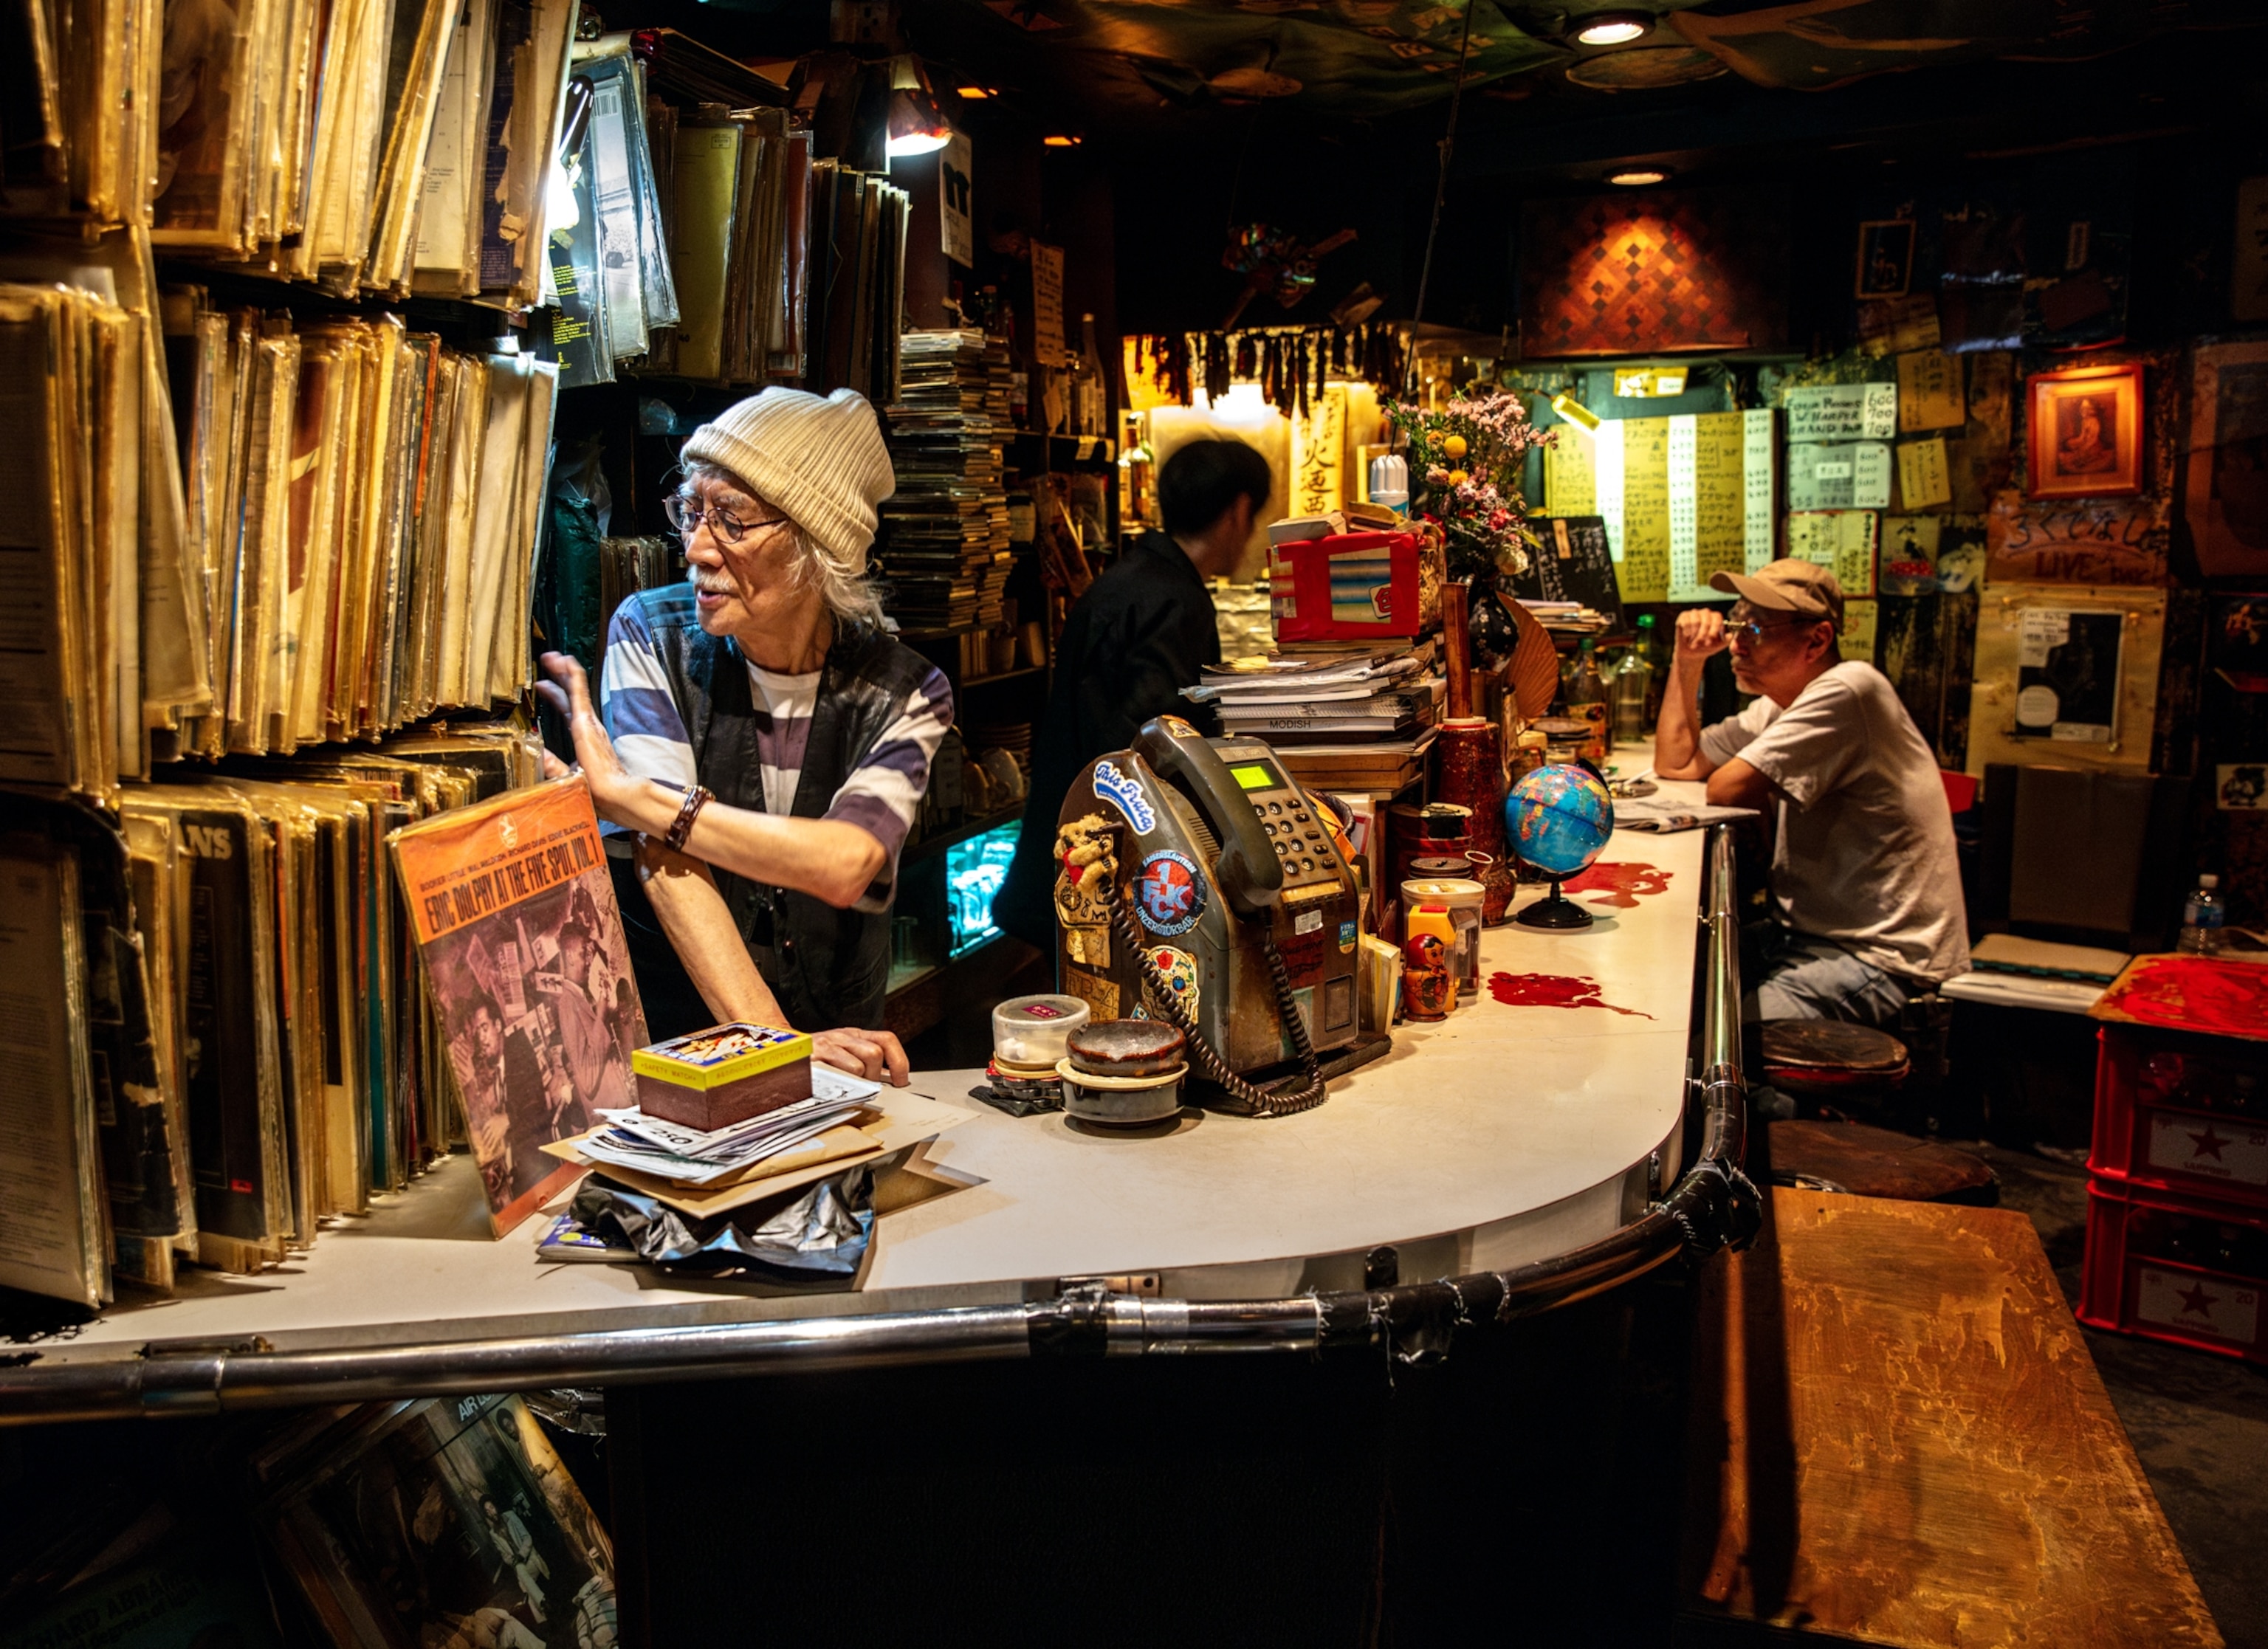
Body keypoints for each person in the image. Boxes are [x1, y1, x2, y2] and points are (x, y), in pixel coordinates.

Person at [538, 388, 952, 1084]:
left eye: (731, 519)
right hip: (686, 1048)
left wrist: (623, 795)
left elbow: (845, 863)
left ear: (815, 543)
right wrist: (781, 1044)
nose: (697, 547)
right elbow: (670, 863)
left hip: (847, 1049)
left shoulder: (905, 689)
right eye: (692, 512)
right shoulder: (649, 634)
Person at [1652, 557, 1968, 1025]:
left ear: (1817, 639)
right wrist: (1687, 660)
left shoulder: (1849, 689)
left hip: (1879, 958)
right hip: (1805, 935)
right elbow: (1676, 762)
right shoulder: (1779, 706)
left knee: (1712, 1035)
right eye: (1738, 624)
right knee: (1670, 985)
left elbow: (1725, 788)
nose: (1736, 642)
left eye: (1755, 629)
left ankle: (1771, 1102)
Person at [994, 438, 1274, 947]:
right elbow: (1153, 746)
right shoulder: (1176, 602)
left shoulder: (1127, 582)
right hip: (1104, 879)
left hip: (1063, 855)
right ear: (1238, 511)